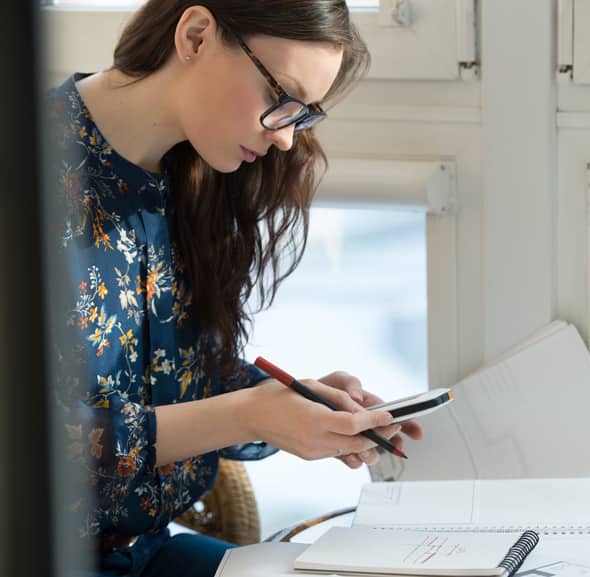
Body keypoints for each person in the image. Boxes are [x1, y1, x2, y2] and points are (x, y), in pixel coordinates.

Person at [46, 2, 423, 575]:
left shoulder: (193, 173)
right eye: (281, 99)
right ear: (196, 35)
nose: (288, 140)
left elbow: (177, 377)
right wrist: (247, 415)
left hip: (149, 553)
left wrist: (297, 403)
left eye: (304, 115)